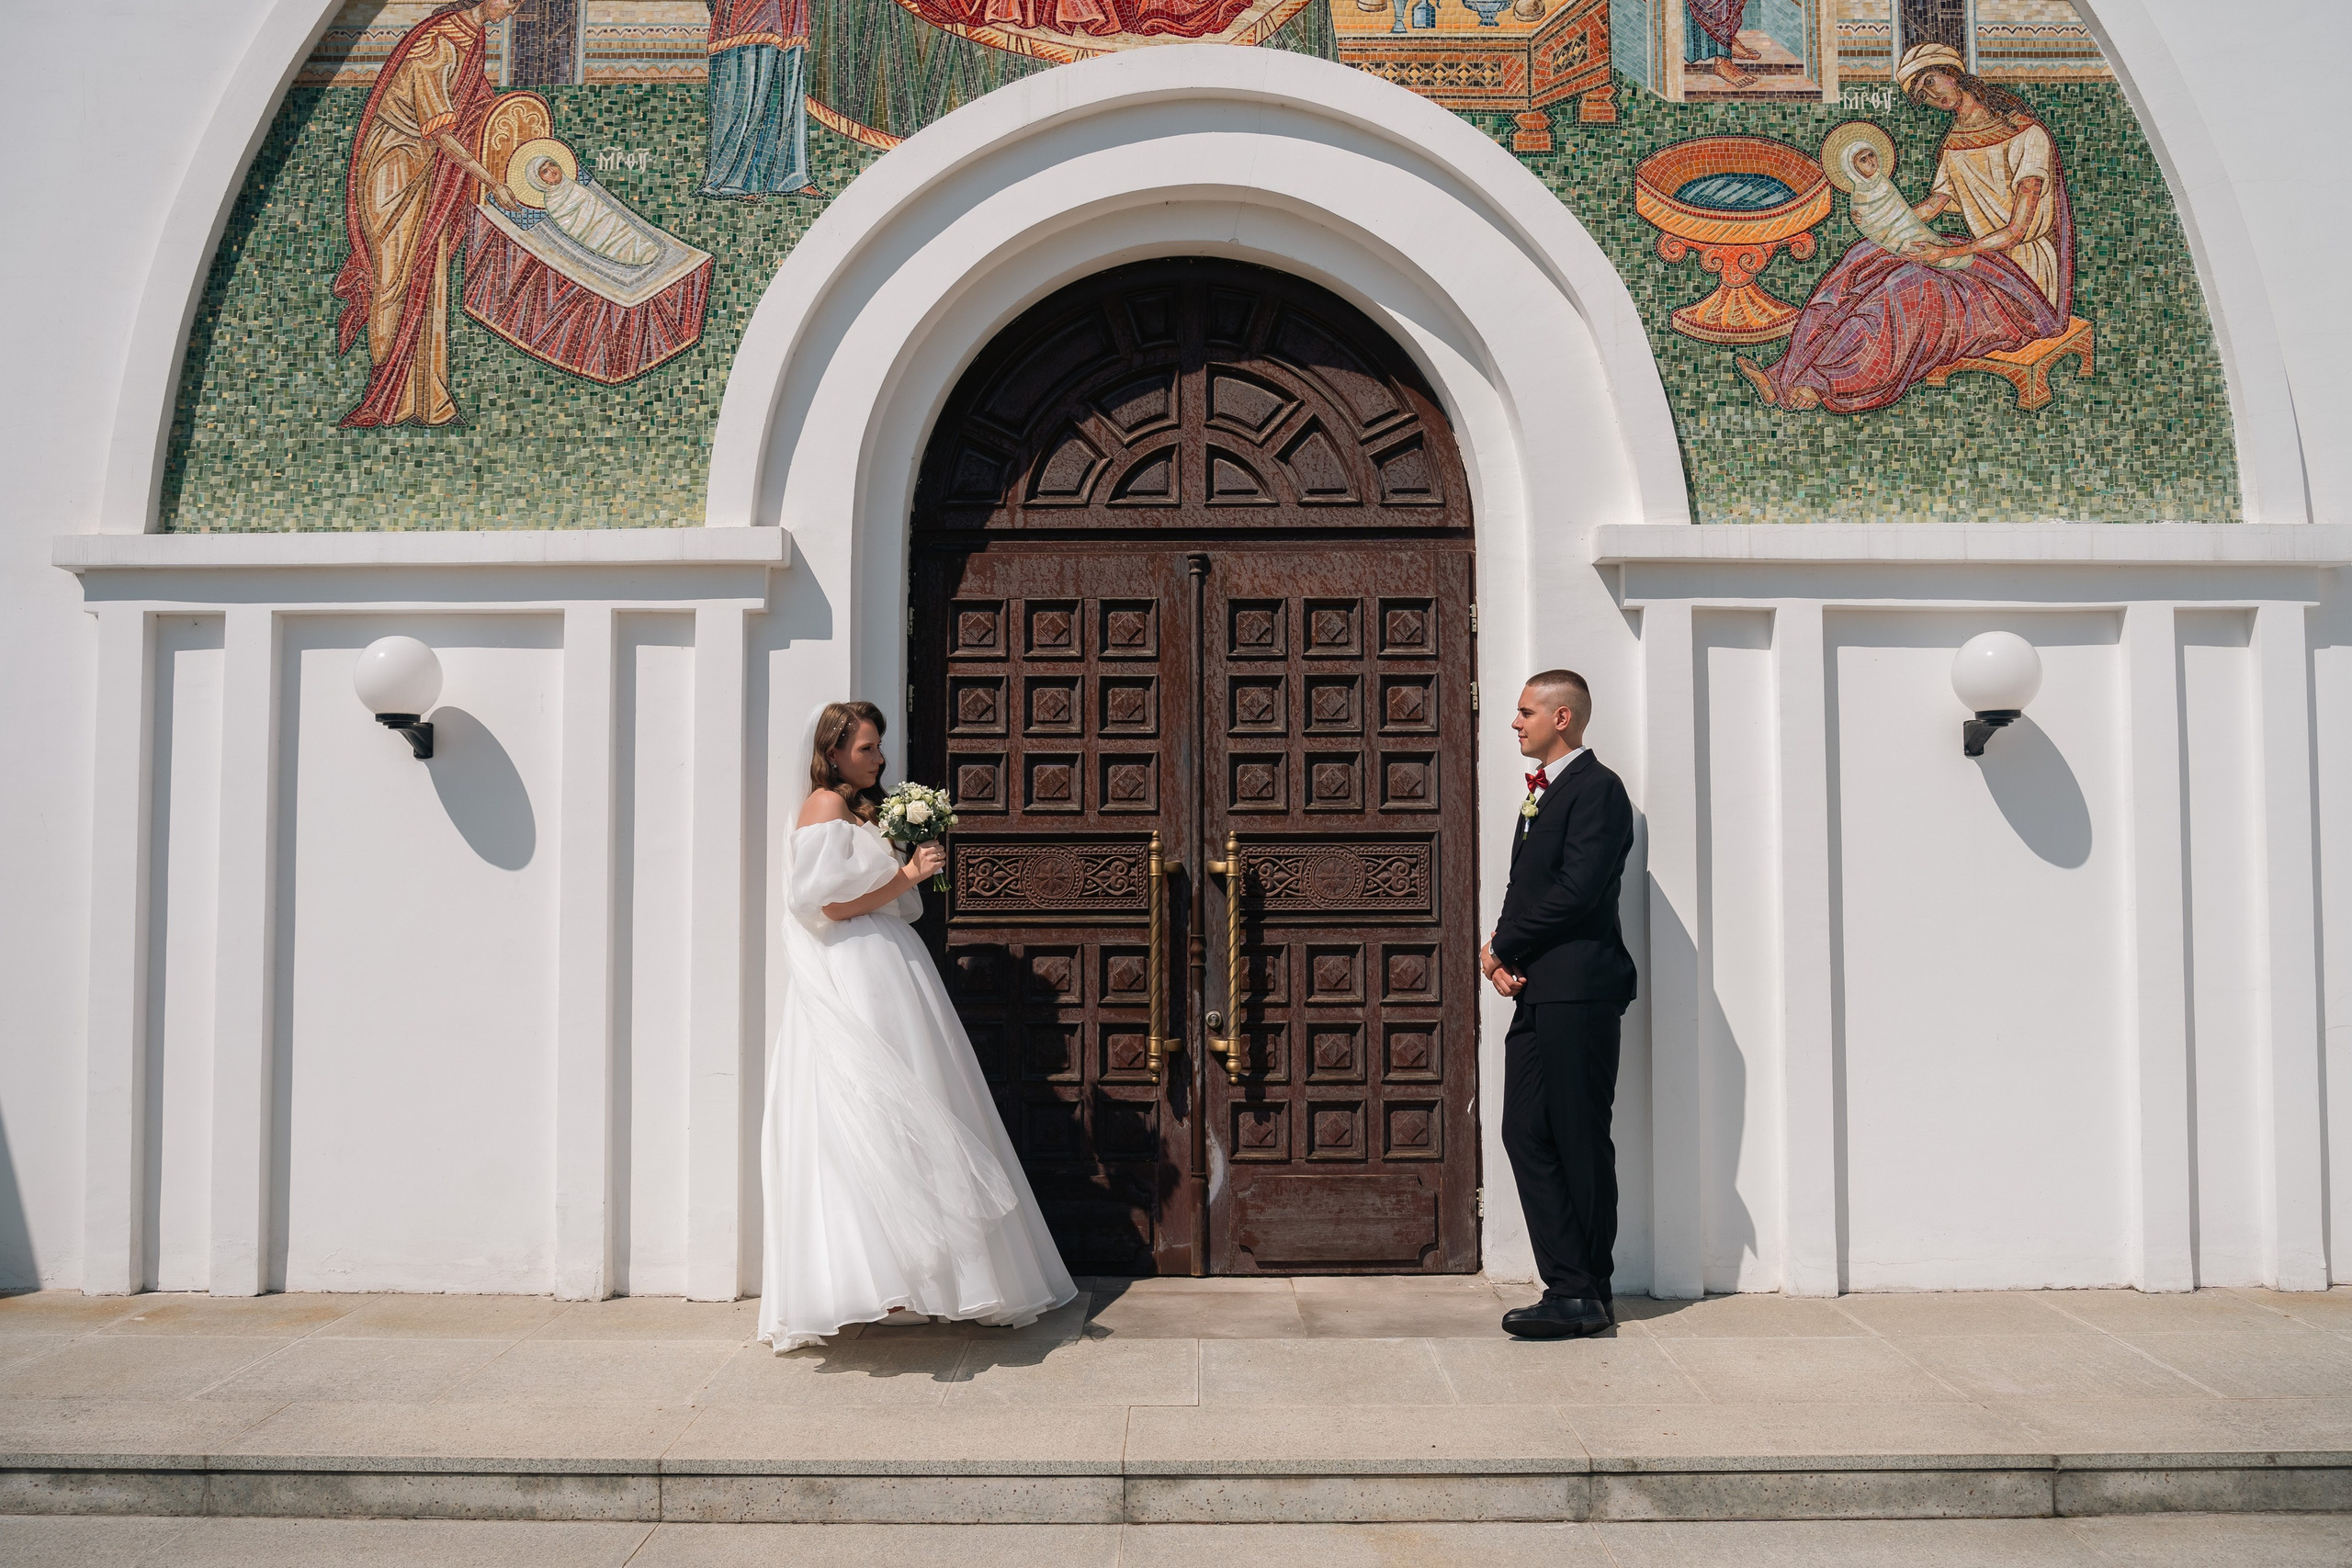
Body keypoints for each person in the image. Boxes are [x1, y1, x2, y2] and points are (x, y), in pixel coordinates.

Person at [759, 701, 1075, 1350]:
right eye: (867, 748)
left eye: (878, 748)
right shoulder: (823, 804)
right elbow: (824, 903)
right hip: (855, 969)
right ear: (836, 750)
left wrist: (904, 862)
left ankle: (920, 1277)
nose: (879, 760)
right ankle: (872, 1277)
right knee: (869, 1110)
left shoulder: (859, 809)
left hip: (886, 966)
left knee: (914, 1104)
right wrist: (904, 874)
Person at [1735, 43, 2075, 414]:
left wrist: (1945, 253)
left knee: (1912, 285)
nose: (1931, 95)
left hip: (2023, 282)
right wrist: (1882, 223)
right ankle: (1784, 372)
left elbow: (2016, 232)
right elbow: (1932, 207)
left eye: (1930, 81)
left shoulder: (2028, 135)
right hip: (1975, 259)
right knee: (1863, 258)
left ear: (1953, 73)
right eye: (1921, 94)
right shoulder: (1954, 145)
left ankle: (1825, 382)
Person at [1483, 671, 1637, 1340]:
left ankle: (1582, 1289)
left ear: (1562, 716)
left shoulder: (1597, 789)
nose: (1516, 722)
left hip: (1581, 990)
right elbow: (1535, 888)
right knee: (1525, 1129)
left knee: (1578, 1135)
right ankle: (1576, 1283)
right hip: (1543, 988)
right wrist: (1507, 961)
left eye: (1526, 711)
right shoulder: (1547, 793)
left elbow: (1578, 890)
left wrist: (1500, 944)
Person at [332, 0, 526, 428]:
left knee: (430, 270)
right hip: (395, 164)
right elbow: (440, 130)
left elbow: (476, 108)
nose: (513, 8)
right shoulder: (436, 45)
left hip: (430, 165)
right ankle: (385, 394)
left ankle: (427, 398)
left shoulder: (469, 36)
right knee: (394, 275)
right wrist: (491, 180)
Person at [701, 0, 821, 203]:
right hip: (745, 14)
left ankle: (790, 176)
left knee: (787, 90)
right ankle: (730, 181)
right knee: (746, 94)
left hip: (787, 15)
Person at [515, 150, 662, 266]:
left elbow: (600, 207)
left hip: (613, 223)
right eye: (545, 171)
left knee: (624, 230)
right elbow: (574, 227)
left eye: (552, 164)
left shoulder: (574, 185)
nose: (552, 171)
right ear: (539, 181)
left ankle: (641, 246)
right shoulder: (552, 203)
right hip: (594, 237)